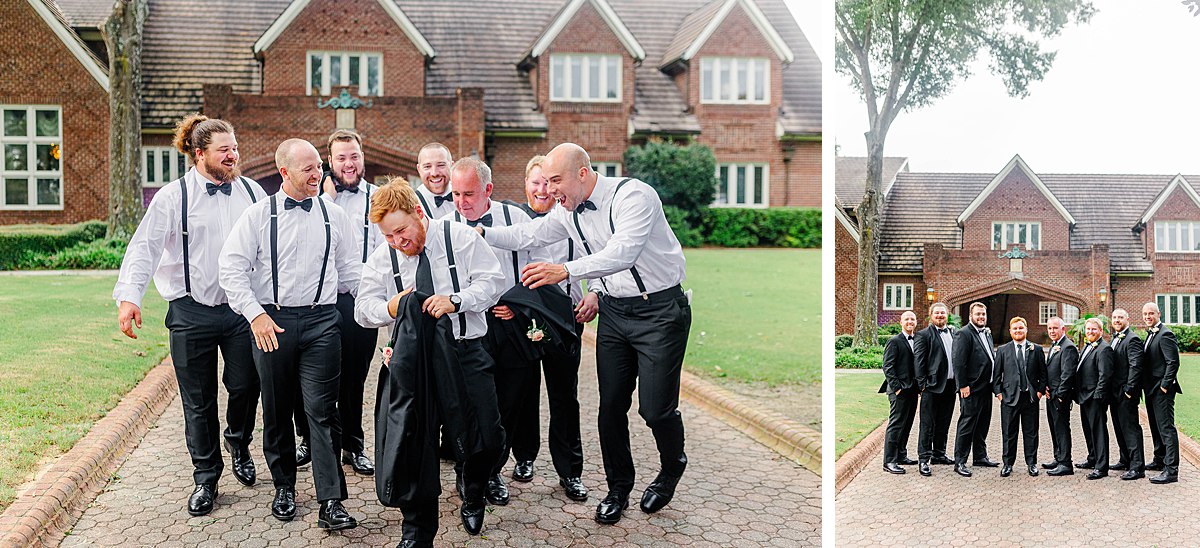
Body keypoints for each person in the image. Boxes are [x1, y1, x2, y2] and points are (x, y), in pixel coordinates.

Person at [479, 143, 690, 525]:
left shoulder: (634, 196)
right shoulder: (567, 211)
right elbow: (528, 234)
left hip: (660, 312)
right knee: (610, 408)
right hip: (614, 312)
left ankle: (673, 465)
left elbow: (622, 254)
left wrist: (565, 271)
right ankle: (618, 488)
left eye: (556, 180)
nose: (549, 189)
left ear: (582, 173)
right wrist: (480, 232)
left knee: (655, 409)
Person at [113, 114, 264, 516]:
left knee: (247, 384)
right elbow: (144, 248)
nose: (233, 155)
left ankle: (239, 441)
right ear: (199, 155)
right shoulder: (171, 197)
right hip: (189, 311)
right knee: (197, 400)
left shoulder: (251, 192)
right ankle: (206, 478)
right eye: (224, 150)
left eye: (234, 147)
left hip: (240, 310)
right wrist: (130, 297)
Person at [218, 138, 361, 530]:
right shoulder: (258, 215)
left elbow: (352, 273)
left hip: (321, 322)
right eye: (309, 169)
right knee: (278, 410)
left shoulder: (334, 215)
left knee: (322, 411)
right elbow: (230, 269)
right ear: (285, 173)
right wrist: (255, 315)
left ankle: (331, 500)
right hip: (272, 324)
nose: (319, 174)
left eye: (319, 167)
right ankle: (284, 486)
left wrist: (384, 303)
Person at [354, 179, 507, 542]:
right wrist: (391, 306)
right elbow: (363, 310)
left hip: (466, 353)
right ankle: (417, 529)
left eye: (401, 231)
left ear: (419, 214)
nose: (397, 242)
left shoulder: (461, 238)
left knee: (486, 434)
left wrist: (457, 299)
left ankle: (473, 491)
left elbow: (494, 281)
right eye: (388, 235)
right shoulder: (383, 257)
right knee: (414, 443)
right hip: (414, 366)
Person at [448, 156, 552, 506]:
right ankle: (467, 472)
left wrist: (518, 305)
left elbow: (538, 268)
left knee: (508, 404)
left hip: (509, 325)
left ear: (488, 189)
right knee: (469, 405)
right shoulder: (444, 224)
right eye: (456, 194)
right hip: (466, 328)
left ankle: (492, 472)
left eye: (469, 194)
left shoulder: (518, 220)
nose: (462, 202)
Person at [502, 156, 593, 501]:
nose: (543, 190)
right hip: (520, 321)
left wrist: (594, 293)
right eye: (536, 183)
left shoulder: (572, 217)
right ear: (526, 184)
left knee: (564, 395)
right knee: (521, 392)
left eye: (548, 183)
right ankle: (523, 457)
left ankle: (570, 471)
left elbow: (597, 257)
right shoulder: (513, 221)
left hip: (564, 317)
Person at [293, 129, 383, 476]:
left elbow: (384, 251)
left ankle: (352, 445)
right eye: (342, 157)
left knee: (354, 378)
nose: (349, 163)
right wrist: (328, 200)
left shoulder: (377, 198)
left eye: (354, 156)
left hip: (358, 300)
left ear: (363, 158)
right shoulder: (313, 199)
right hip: (320, 303)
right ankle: (308, 440)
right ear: (330, 161)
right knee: (309, 376)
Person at [991, 317, 1046, 478]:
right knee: (1008, 433)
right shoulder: (1002, 350)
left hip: (1030, 398)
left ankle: (1032, 463)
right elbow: (996, 376)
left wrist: (1039, 392)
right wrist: (999, 394)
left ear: (1026, 330)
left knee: (1031, 432)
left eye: (1021, 328)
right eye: (1015, 329)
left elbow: (1043, 374)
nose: (1018, 331)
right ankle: (1008, 464)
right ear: (1010, 331)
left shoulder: (1036, 349)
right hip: (1009, 399)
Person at [951, 302, 999, 477]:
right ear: (971, 315)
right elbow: (958, 362)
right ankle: (960, 461)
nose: (981, 317)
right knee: (967, 424)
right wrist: (962, 385)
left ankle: (980, 456)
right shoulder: (963, 334)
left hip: (986, 387)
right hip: (970, 388)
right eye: (978, 314)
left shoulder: (986, 333)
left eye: (983, 315)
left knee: (983, 423)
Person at [913, 302, 957, 476]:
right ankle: (924, 459)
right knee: (927, 424)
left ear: (947, 315)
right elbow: (919, 361)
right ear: (931, 315)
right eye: (937, 313)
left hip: (950, 386)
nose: (940, 316)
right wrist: (922, 384)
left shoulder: (954, 333)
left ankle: (939, 454)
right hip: (931, 387)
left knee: (944, 422)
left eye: (943, 313)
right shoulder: (923, 335)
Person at [1142, 301, 1182, 484]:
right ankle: (1159, 460)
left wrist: (1164, 385)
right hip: (1150, 388)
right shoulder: (1150, 334)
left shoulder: (1165, 334)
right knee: (1155, 426)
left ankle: (1171, 470)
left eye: (1151, 313)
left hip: (1162, 389)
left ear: (1159, 314)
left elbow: (1173, 362)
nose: (1148, 317)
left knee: (1166, 428)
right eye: (1145, 314)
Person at [879, 311, 919, 474]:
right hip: (899, 390)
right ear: (901, 322)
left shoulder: (917, 341)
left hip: (912, 390)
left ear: (916, 322)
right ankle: (889, 461)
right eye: (907, 319)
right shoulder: (894, 341)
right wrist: (897, 388)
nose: (910, 321)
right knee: (896, 425)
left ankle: (901, 455)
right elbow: (887, 366)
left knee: (907, 423)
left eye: (912, 319)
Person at [1108, 308, 1145, 480]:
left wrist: (1129, 390)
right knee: (1119, 426)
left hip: (1126, 393)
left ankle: (1137, 467)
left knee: (1130, 428)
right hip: (1114, 393)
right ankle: (1125, 459)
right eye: (1114, 317)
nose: (1117, 320)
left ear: (1127, 319)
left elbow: (1136, 366)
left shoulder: (1133, 339)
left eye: (1120, 317)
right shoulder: (1115, 338)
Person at [1074, 317, 1112, 480]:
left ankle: (1101, 467)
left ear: (1101, 331)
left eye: (1094, 329)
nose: (1090, 332)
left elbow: (1105, 375)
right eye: (1088, 329)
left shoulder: (1104, 349)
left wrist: (1098, 396)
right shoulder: (1087, 347)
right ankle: (1092, 458)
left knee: (1098, 432)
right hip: (1084, 397)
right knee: (1088, 430)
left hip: (1095, 398)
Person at [1042, 316, 1079, 477]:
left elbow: (1068, 374)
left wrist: (1060, 396)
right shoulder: (1055, 345)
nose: (1052, 331)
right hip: (1051, 394)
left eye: (1055, 328)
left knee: (1062, 428)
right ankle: (1058, 457)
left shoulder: (1068, 347)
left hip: (1060, 397)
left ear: (1063, 329)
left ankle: (1066, 463)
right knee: (1054, 427)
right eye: (1050, 328)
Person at [413, 142, 456, 219]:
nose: (434, 173)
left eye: (441, 165)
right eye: (427, 166)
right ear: (419, 169)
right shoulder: (411, 205)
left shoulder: (467, 195)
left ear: (451, 166)